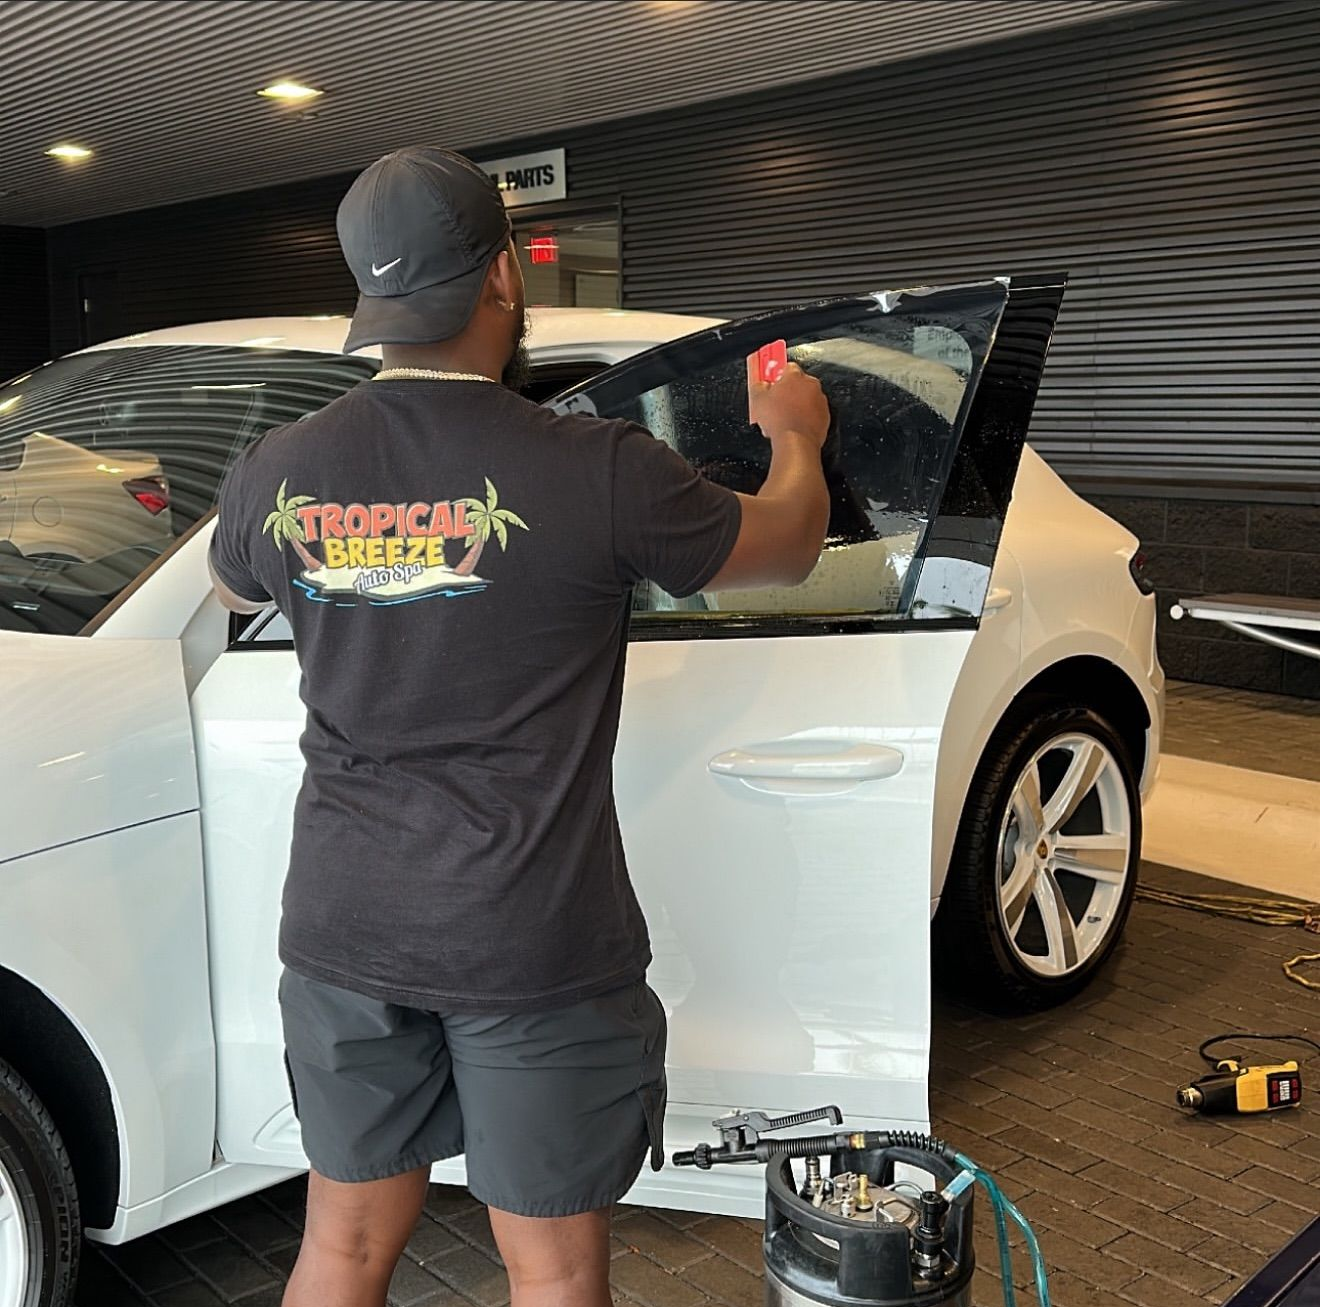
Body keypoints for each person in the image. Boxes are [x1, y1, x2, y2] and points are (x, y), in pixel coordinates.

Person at [207, 145, 831, 1307]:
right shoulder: (597, 470)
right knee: (547, 1266)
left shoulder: (277, 472)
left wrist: (346, 559)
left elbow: (239, 586)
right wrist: (794, 429)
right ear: (503, 275)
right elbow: (790, 544)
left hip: (343, 929)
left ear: (372, 303)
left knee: (339, 1246)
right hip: (529, 938)